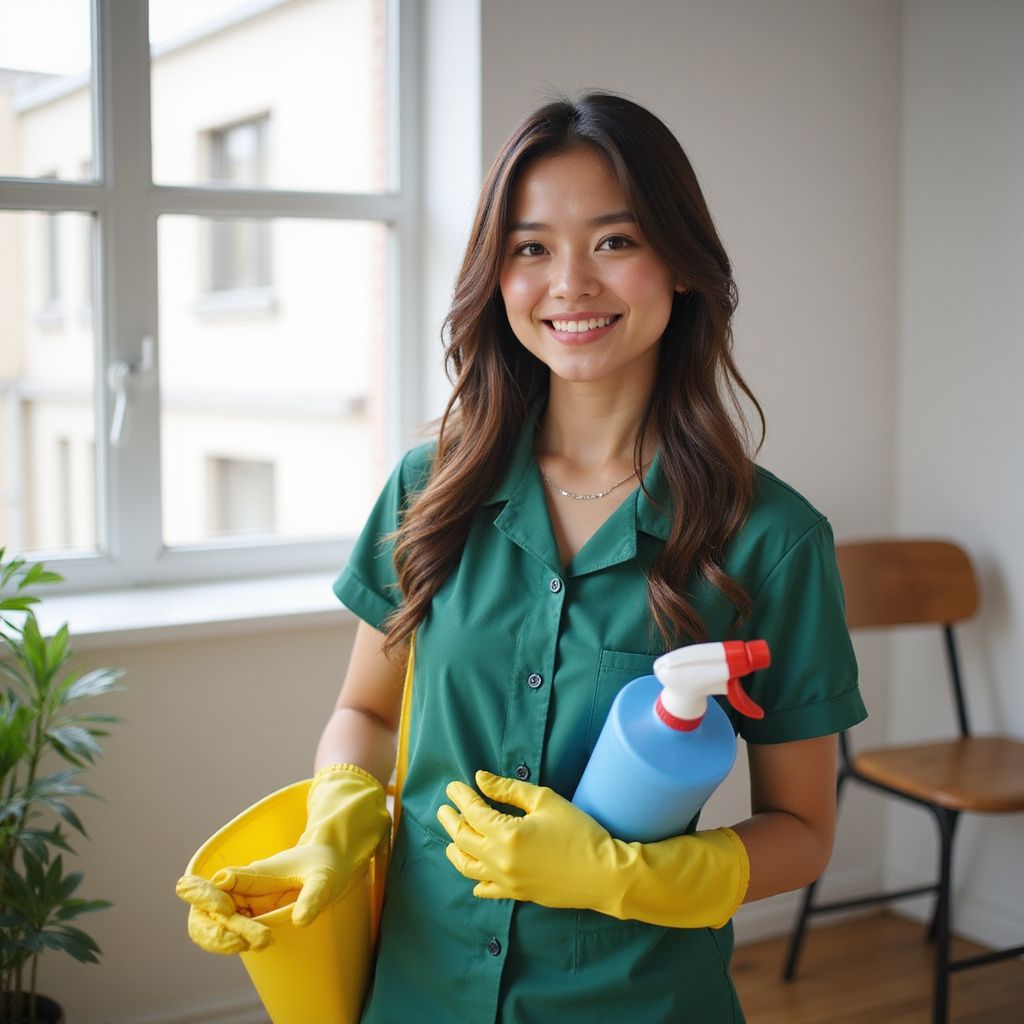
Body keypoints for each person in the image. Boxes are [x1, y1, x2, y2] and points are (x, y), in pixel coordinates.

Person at [178, 91, 867, 1022]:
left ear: (683, 264)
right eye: (531, 248)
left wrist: (624, 875)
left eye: (615, 242)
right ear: (496, 278)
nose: (570, 284)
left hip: (636, 1000)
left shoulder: (772, 539)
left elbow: (804, 831)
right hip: (419, 990)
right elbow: (365, 711)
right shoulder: (430, 489)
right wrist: (338, 821)